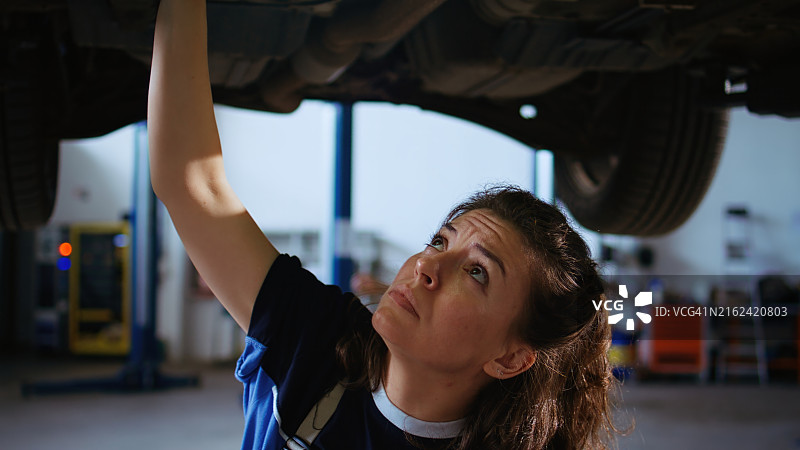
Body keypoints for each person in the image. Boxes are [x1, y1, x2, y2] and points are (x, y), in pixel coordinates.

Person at [148, 1, 622, 448]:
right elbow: (192, 186)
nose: (425, 268)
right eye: (440, 241)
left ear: (509, 358)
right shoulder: (316, 339)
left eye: (478, 272)